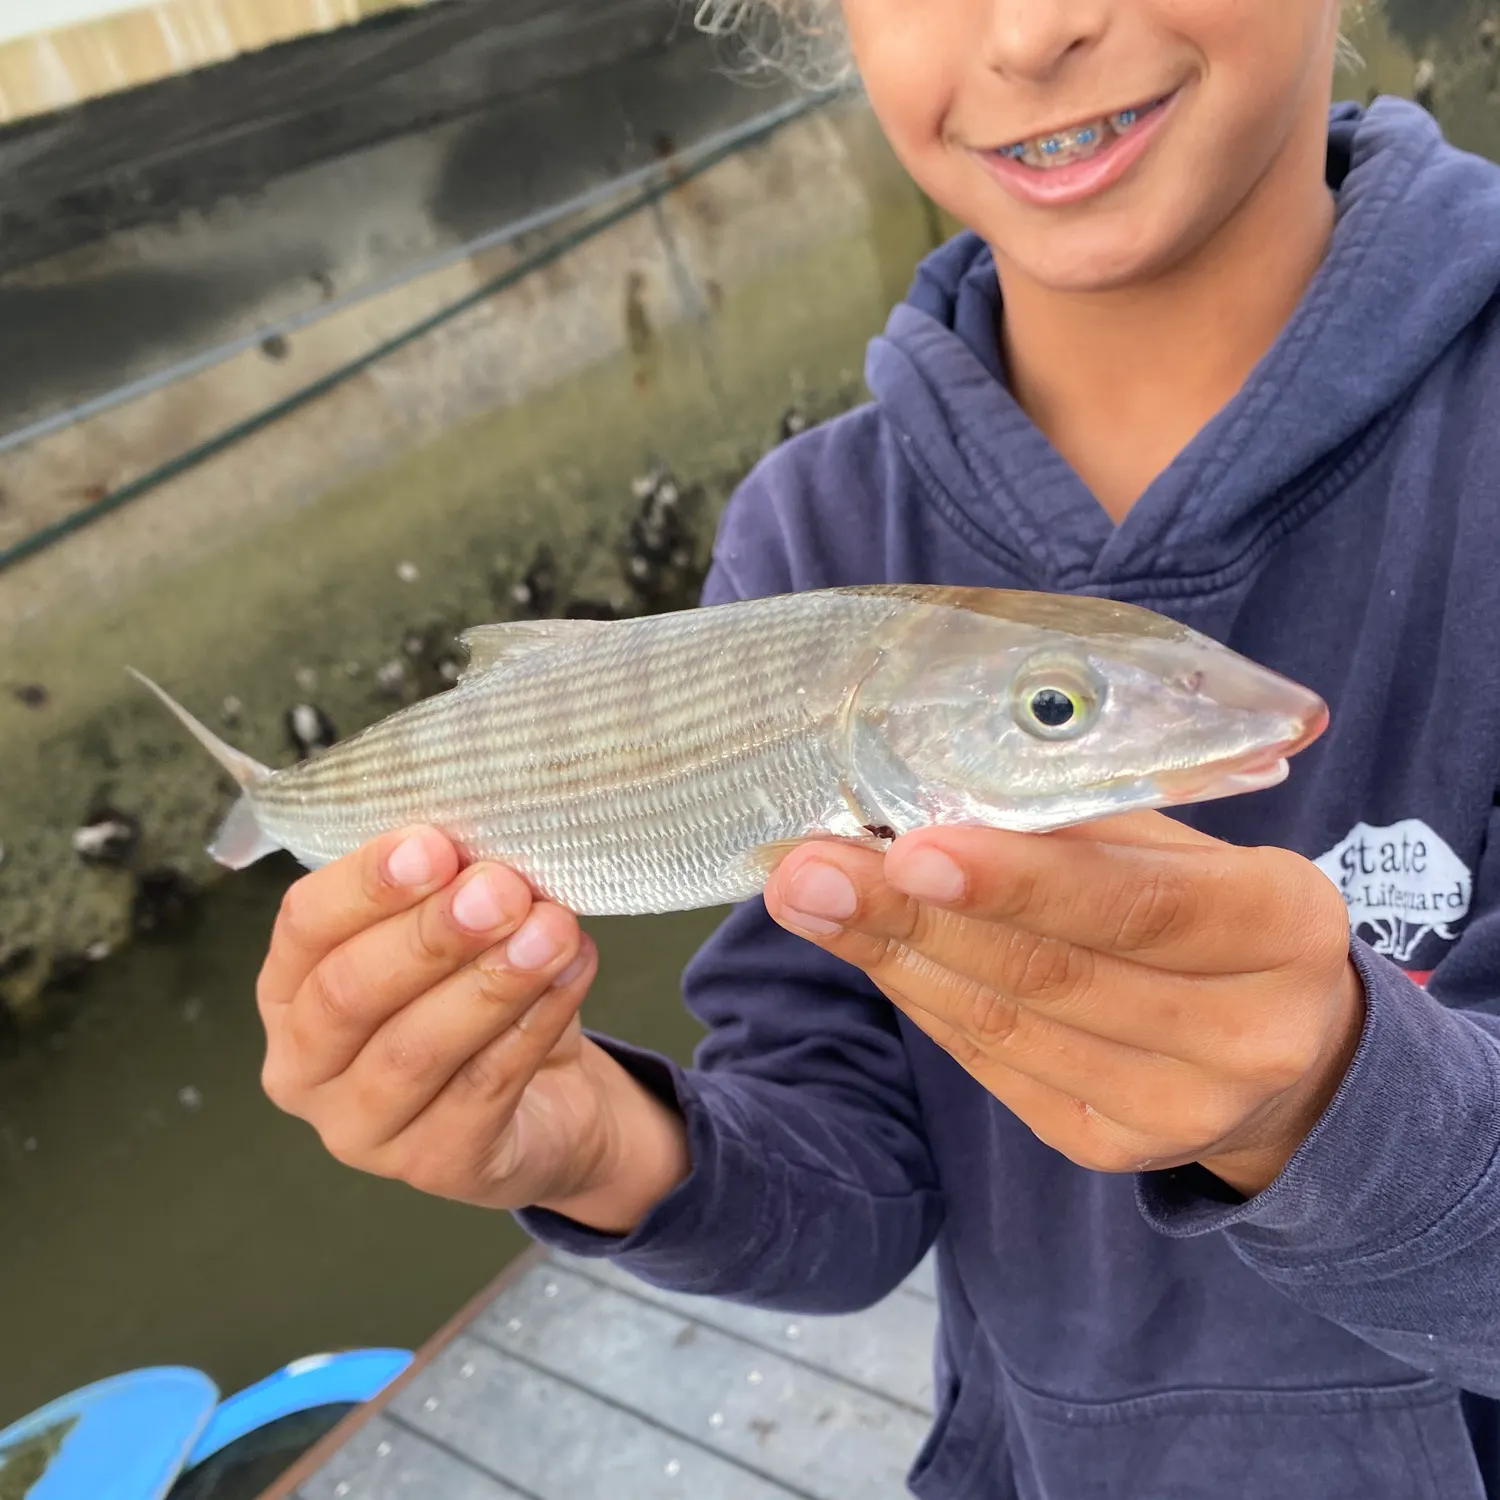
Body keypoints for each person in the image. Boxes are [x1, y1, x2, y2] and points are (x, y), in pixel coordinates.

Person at [252, 1, 1500, 1494]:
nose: (1034, 32)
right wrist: (593, 1146)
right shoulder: (803, 536)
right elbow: (851, 1174)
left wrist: (1334, 1106)